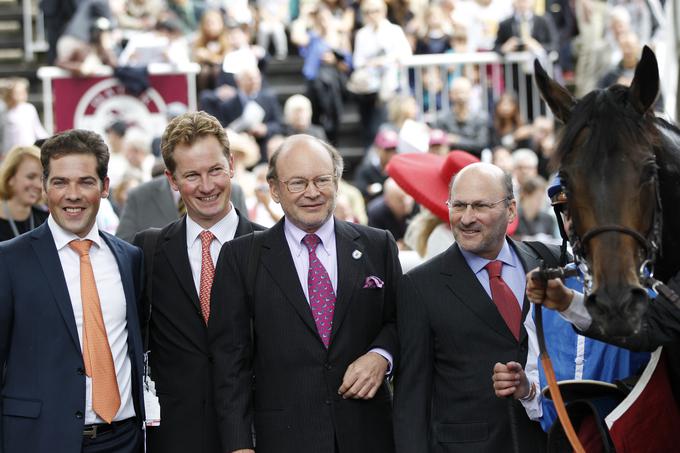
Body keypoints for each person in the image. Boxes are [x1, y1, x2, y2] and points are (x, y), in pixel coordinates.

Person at [209, 134, 400, 453]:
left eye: (322, 180)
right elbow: (229, 361)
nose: (312, 193)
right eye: (297, 183)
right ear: (274, 189)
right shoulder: (242, 257)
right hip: (284, 437)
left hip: (369, 432)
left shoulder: (377, 245)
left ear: (337, 182)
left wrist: (382, 355)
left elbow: (401, 321)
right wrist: (239, 444)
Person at [0, 129, 145, 452]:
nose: (72, 194)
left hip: (124, 439)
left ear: (105, 187)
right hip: (40, 440)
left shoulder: (130, 258)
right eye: (60, 182)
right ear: (45, 187)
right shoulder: (8, 260)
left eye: (85, 182)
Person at [132, 111, 263, 453]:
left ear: (232, 165)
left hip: (257, 434)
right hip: (174, 437)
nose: (207, 186)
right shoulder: (148, 250)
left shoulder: (271, 248)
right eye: (192, 175)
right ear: (172, 180)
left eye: (215, 170)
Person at [393, 162, 546, 452]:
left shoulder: (547, 263)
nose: (466, 218)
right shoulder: (420, 287)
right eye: (458, 205)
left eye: (480, 206)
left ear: (511, 210)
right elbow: (412, 399)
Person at [493, 176, 649, 433]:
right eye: (567, 213)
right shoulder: (550, 287)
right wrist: (525, 388)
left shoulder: (648, 284)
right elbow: (542, 392)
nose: (573, 223)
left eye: (584, 211)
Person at [115, 173, 247, 242]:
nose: (206, 188)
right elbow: (125, 246)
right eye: (191, 174)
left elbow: (247, 239)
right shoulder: (140, 196)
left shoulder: (233, 191)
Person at [0, 145, 49, 241]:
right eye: (31, 177)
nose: (39, 185)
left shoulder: (46, 221)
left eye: (42, 179)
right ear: (10, 178)